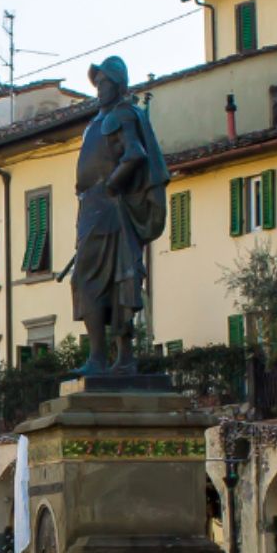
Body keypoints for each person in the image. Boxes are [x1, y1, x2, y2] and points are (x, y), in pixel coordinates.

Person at [70, 55, 167, 374]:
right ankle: (103, 357)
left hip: (108, 208)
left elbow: (134, 154)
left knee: (112, 278)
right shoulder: (97, 121)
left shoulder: (120, 115)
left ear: (118, 85)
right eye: (97, 83)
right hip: (92, 207)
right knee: (95, 280)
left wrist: (111, 185)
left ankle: (111, 357)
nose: (99, 88)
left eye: (105, 82)